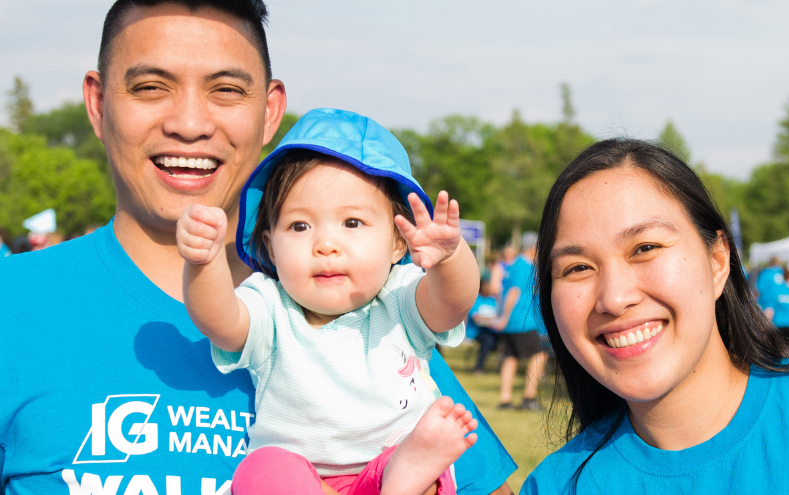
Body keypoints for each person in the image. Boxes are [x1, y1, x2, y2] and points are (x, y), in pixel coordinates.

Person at [0, 2, 516, 493]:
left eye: (225, 90)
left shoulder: (367, 312)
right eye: (151, 86)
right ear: (98, 102)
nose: (190, 123)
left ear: (270, 112)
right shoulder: (14, 306)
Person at [522, 138, 789, 494]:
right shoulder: (555, 485)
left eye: (645, 248)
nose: (614, 298)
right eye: (577, 268)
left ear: (717, 261)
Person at [178, 108, 479, 494]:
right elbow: (218, 320)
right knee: (263, 467)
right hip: (300, 480)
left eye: (352, 223)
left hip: (391, 461)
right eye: (299, 226)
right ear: (270, 245)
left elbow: (453, 301)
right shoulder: (271, 306)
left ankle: (407, 476)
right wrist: (204, 262)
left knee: (411, 458)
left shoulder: (401, 298)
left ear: (397, 242)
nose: (325, 245)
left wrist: (451, 259)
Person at [493, 233, 547, 411]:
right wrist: (504, 317)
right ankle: (529, 398)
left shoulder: (512, 265)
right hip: (523, 321)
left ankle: (504, 399)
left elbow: (501, 290)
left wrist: (502, 317)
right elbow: (514, 292)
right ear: (533, 247)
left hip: (511, 322)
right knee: (540, 354)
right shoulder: (525, 266)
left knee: (511, 357)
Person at [467, 274, 500, 373]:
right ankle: (479, 367)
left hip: (492, 330)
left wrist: (487, 319)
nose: (487, 288)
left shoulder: (493, 300)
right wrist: (489, 319)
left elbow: (498, 316)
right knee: (488, 340)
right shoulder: (475, 300)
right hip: (476, 331)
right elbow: (476, 318)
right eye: (485, 285)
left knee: (504, 339)